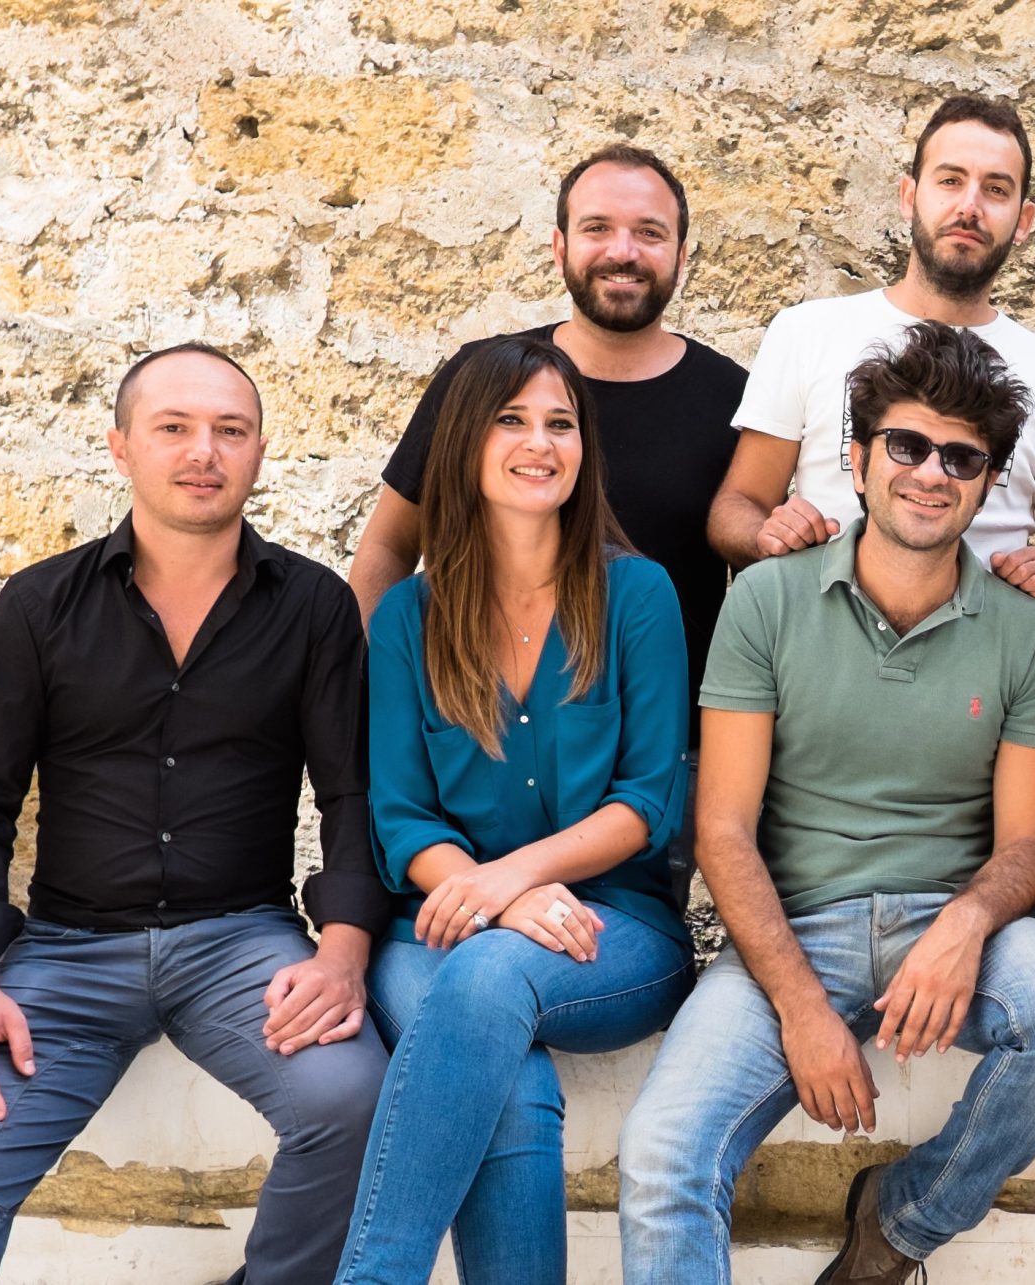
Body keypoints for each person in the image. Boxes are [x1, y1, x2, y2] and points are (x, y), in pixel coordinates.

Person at [0, 344, 390, 1284]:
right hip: (66, 957)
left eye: (230, 430)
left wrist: (343, 953)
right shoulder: (40, 604)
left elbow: (353, 791)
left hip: (240, 944)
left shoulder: (313, 605)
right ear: (121, 447)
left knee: (352, 1101)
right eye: (174, 427)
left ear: (259, 451)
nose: (204, 451)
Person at [617, 321, 1035, 1284]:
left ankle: (902, 1220)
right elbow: (721, 829)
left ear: (989, 483)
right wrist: (803, 1009)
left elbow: (1026, 843)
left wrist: (966, 923)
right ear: (856, 460)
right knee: (661, 1153)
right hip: (797, 928)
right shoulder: (765, 599)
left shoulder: (1028, 632)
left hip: (957, 924)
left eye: (962, 457)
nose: (931, 473)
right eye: (907, 445)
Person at [333, 337, 693, 1283]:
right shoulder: (407, 617)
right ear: (464, 443)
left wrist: (511, 882)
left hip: (614, 928)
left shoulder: (638, 594)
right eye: (511, 420)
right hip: (434, 927)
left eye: (560, 424)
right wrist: (496, 896)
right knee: (511, 1077)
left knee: (493, 974)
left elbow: (645, 803)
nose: (540, 443)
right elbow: (402, 816)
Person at [347, 144, 741, 884]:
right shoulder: (480, 380)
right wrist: (404, 703)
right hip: (481, 745)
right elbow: (387, 550)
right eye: (597, 228)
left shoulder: (732, 400)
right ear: (560, 246)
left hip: (652, 770)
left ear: (682, 254)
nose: (622, 251)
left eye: (649, 232)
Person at [707, 94, 1035, 605]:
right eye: (950, 180)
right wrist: (767, 534)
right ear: (909, 195)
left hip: (984, 640)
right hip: (817, 630)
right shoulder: (806, 332)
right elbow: (737, 505)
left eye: (996, 189)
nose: (970, 206)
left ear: (1023, 220)